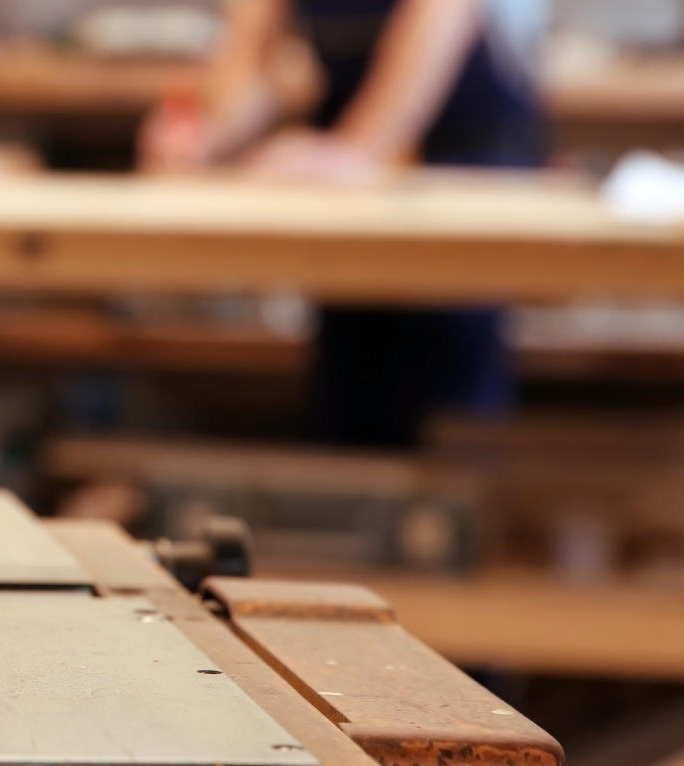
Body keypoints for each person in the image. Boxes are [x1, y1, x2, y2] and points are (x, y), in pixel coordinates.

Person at [141, 0, 549, 448]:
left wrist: (359, 148)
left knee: (446, 392)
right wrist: (204, 138)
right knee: (350, 382)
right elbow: (252, 64)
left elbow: (441, 15)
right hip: (343, 178)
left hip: (463, 164)